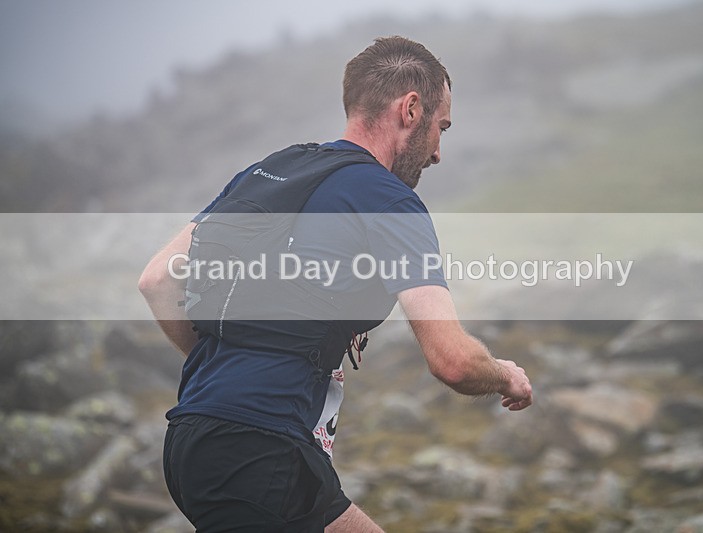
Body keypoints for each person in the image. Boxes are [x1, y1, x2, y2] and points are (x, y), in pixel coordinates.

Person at [139, 36, 532, 532]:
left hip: (193, 439)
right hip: (261, 450)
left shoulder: (271, 170)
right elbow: (452, 360)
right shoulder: (389, 201)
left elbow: (156, 280)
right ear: (411, 109)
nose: (438, 153)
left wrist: (235, 369)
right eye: (441, 128)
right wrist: (505, 374)